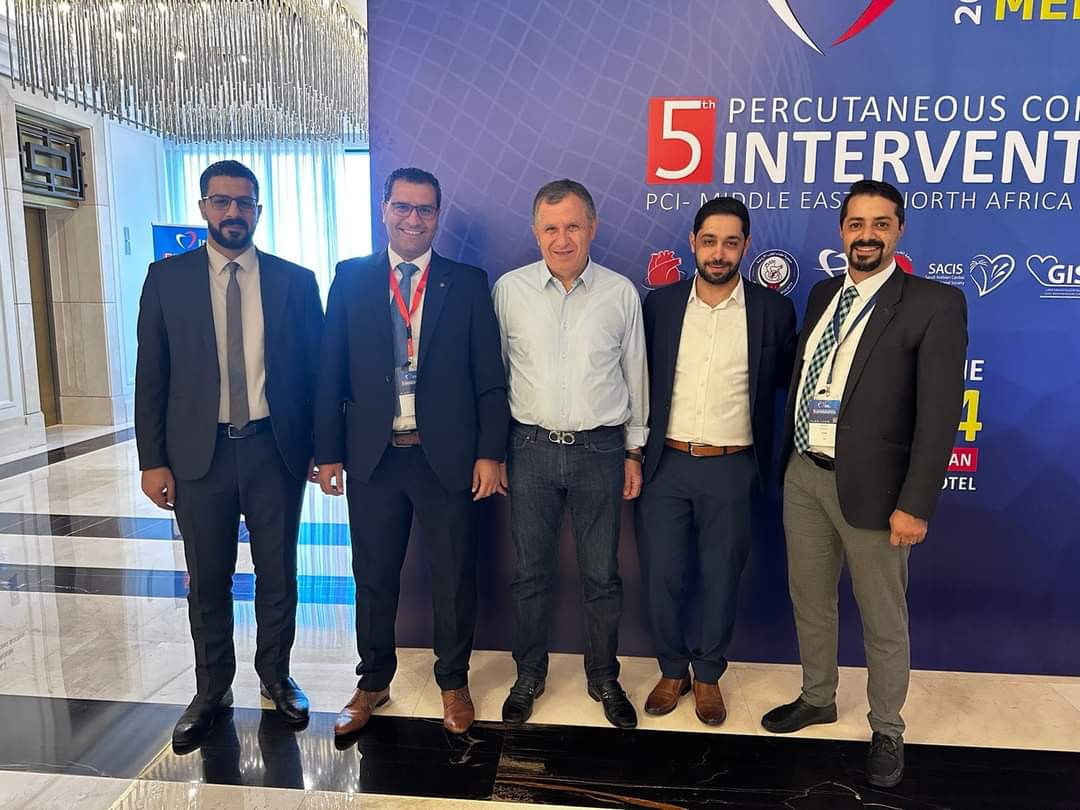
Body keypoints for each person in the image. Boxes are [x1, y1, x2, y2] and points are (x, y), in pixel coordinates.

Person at [762, 179, 967, 788]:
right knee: (810, 598)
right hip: (805, 474)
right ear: (842, 231)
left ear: (899, 229)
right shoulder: (824, 293)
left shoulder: (934, 303)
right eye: (856, 224)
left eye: (880, 224)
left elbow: (939, 416)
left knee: (882, 616)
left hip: (878, 492)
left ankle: (887, 727)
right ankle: (817, 696)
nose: (867, 235)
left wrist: (915, 503)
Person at [135, 159, 323, 749]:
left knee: (278, 574)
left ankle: (276, 676)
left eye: (244, 202)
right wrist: (151, 459)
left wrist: (322, 448)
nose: (233, 212)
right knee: (208, 579)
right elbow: (151, 376)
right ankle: (212, 689)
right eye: (222, 201)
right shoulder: (166, 280)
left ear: (258, 210)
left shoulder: (295, 281)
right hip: (200, 456)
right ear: (203, 208)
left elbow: (317, 375)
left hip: (274, 451)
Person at [315, 167, 509, 736]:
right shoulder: (350, 278)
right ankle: (373, 681)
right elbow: (330, 371)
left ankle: (453, 681)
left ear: (437, 216)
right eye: (402, 206)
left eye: (425, 209)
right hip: (373, 457)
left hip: (444, 456)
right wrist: (328, 452)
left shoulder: (466, 282)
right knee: (373, 575)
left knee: (453, 576)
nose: (413, 219)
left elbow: (489, 377)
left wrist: (489, 452)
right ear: (384, 210)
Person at [493, 179, 648, 730]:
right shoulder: (508, 291)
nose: (562, 239)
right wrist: (495, 450)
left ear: (592, 228)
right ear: (536, 232)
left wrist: (634, 450)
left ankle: (604, 677)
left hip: (600, 450)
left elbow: (636, 374)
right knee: (530, 574)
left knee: (602, 575)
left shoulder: (620, 293)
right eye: (551, 228)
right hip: (529, 448)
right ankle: (528, 675)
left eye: (573, 227)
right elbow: (496, 377)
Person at [637, 197, 795, 725]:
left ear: (746, 246)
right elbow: (639, 382)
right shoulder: (659, 305)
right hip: (666, 464)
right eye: (709, 241)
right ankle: (671, 669)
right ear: (693, 243)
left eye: (731, 242)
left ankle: (707, 675)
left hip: (733, 466)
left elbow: (784, 385)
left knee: (722, 576)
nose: (719, 253)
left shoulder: (773, 311)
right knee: (663, 574)